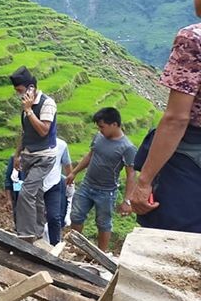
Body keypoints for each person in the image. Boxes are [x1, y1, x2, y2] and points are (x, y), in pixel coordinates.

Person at [127, 0, 201, 234]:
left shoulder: (193, 39)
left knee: (171, 244)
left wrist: (144, 181)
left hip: (188, 161)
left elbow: (177, 118)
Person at [67, 108, 136, 250]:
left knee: (103, 223)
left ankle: (101, 255)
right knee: (76, 216)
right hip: (87, 185)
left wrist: (127, 200)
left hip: (106, 192)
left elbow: (131, 175)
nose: (100, 129)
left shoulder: (127, 148)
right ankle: (73, 247)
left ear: (115, 125)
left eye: (102, 126)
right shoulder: (98, 137)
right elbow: (90, 155)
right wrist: (74, 172)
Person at [10, 66, 58, 240]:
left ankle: (26, 234)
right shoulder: (25, 106)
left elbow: (43, 130)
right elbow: (25, 132)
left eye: (20, 91)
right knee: (36, 194)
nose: (19, 95)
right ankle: (37, 231)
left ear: (31, 88)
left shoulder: (47, 104)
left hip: (44, 157)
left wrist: (29, 110)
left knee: (26, 193)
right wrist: (18, 154)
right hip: (29, 155)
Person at [42, 138, 72, 245]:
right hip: (35, 184)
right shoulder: (33, 142)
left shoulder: (61, 145)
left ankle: (54, 245)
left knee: (54, 217)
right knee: (33, 216)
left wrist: (70, 183)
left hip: (53, 184)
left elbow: (67, 166)